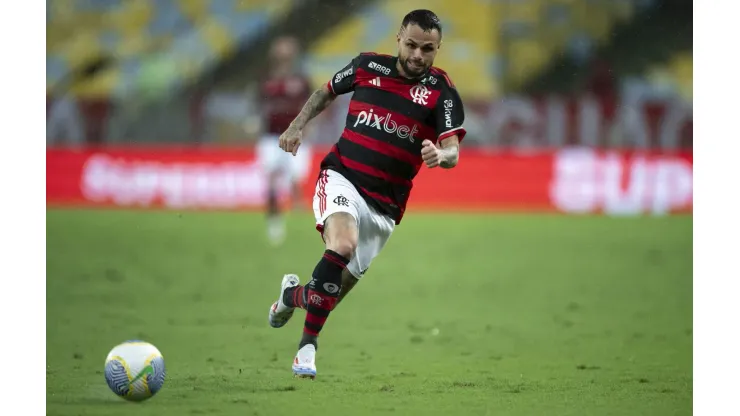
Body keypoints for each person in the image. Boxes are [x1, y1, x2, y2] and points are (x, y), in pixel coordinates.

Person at [267, 9, 466, 379]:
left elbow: (452, 148)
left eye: (428, 49)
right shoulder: (367, 67)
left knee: (326, 295)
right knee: (342, 245)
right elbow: (325, 92)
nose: (418, 56)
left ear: (437, 48)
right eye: (411, 45)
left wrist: (442, 155)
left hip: (386, 208)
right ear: (398, 39)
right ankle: (306, 350)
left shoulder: (442, 92)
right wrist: (296, 126)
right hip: (342, 176)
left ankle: (290, 297)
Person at [255, 36, 313, 246]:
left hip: (295, 136)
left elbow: (314, 105)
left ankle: (303, 232)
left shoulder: (301, 80)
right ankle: (274, 224)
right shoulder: (266, 79)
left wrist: (307, 128)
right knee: (271, 180)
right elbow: (258, 106)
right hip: (271, 137)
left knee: (296, 183)